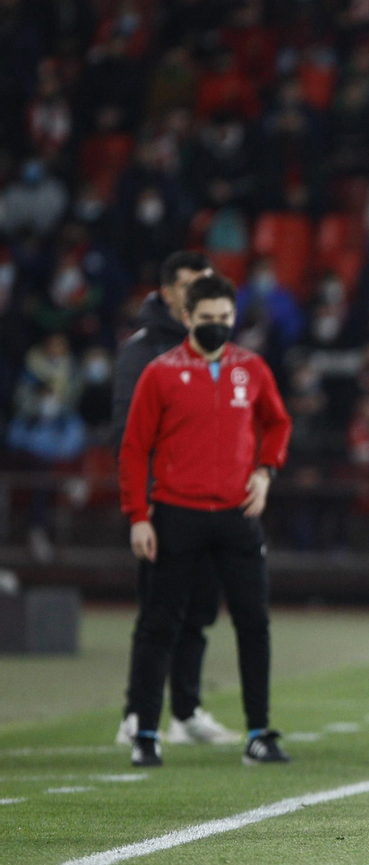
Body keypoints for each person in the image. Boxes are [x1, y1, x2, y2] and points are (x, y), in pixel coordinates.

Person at [118, 275, 292, 768]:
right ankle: (145, 734)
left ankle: (258, 733)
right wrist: (138, 516)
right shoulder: (160, 373)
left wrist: (265, 471)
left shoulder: (251, 368)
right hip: (177, 514)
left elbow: (278, 422)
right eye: (207, 318)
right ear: (187, 318)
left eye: (224, 318)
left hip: (237, 515)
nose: (217, 326)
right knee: (159, 625)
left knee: (254, 623)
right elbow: (134, 448)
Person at [110, 251, 239, 748]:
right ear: (167, 294)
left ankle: (185, 711)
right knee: (158, 614)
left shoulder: (213, 350)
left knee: (200, 611)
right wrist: (142, 509)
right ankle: (135, 716)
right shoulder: (142, 351)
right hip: (164, 503)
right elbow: (128, 436)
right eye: (190, 286)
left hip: (210, 503)